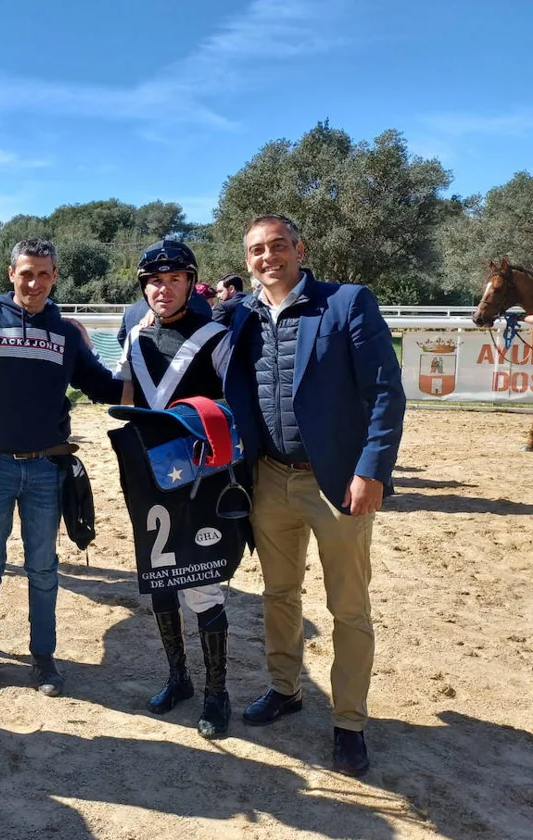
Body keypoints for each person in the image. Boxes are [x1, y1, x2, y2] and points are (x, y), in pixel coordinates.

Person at [222, 213, 405, 776]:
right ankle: (286, 688)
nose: (267, 257)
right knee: (279, 593)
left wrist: (371, 470)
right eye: (256, 250)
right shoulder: (240, 315)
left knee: (348, 608)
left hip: (338, 481)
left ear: (300, 249)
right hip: (269, 477)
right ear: (247, 259)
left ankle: (349, 722)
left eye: (278, 246)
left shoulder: (346, 303)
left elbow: (385, 393)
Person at [0, 238, 123, 701]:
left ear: (54, 277)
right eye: (26, 273)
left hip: (47, 468)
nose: (35, 283)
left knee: (43, 568)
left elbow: (103, 386)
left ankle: (44, 657)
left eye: (44, 274)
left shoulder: (65, 334)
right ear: (11, 274)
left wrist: (163, 384)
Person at [114, 239, 239, 738]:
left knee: (204, 586)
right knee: (159, 578)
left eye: (172, 279)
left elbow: (234, 404)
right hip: (150, 478)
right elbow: (126, 399)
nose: (161, 289)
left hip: (201, 476)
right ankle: (178, 679)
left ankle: (217, 693)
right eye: (152, 281)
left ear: (190, 282)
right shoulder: (137, 339)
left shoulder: (217, 337)